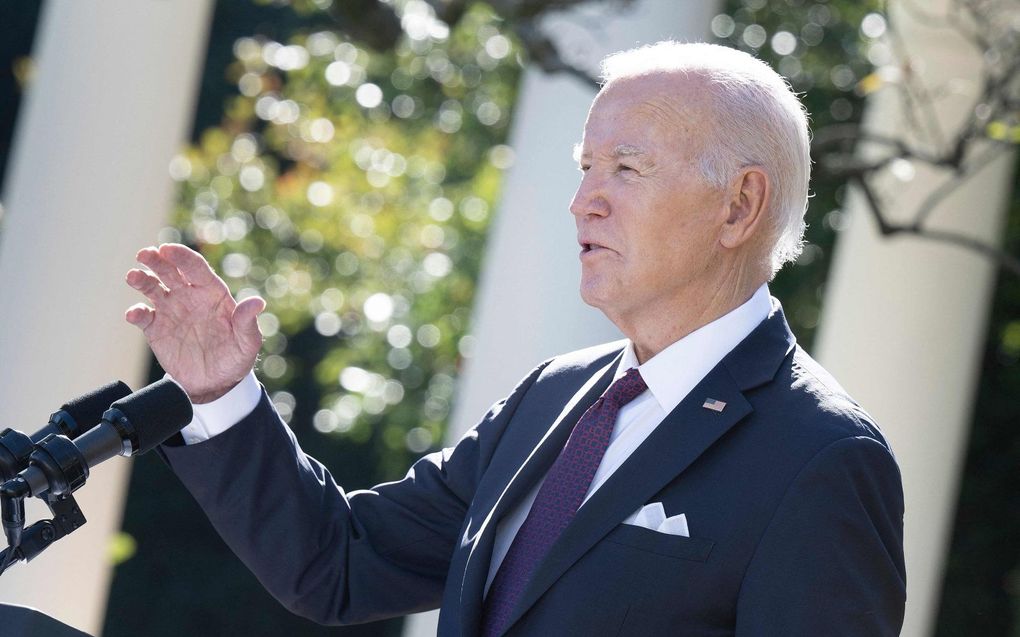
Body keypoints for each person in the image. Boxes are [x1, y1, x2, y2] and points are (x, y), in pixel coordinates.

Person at [125, 41, 905, 636]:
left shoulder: (824, 460)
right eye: (586, 166)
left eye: (626, 169)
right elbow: (341, 562)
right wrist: (221, 395)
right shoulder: (555, 394)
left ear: (740, 205)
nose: (583, 202)